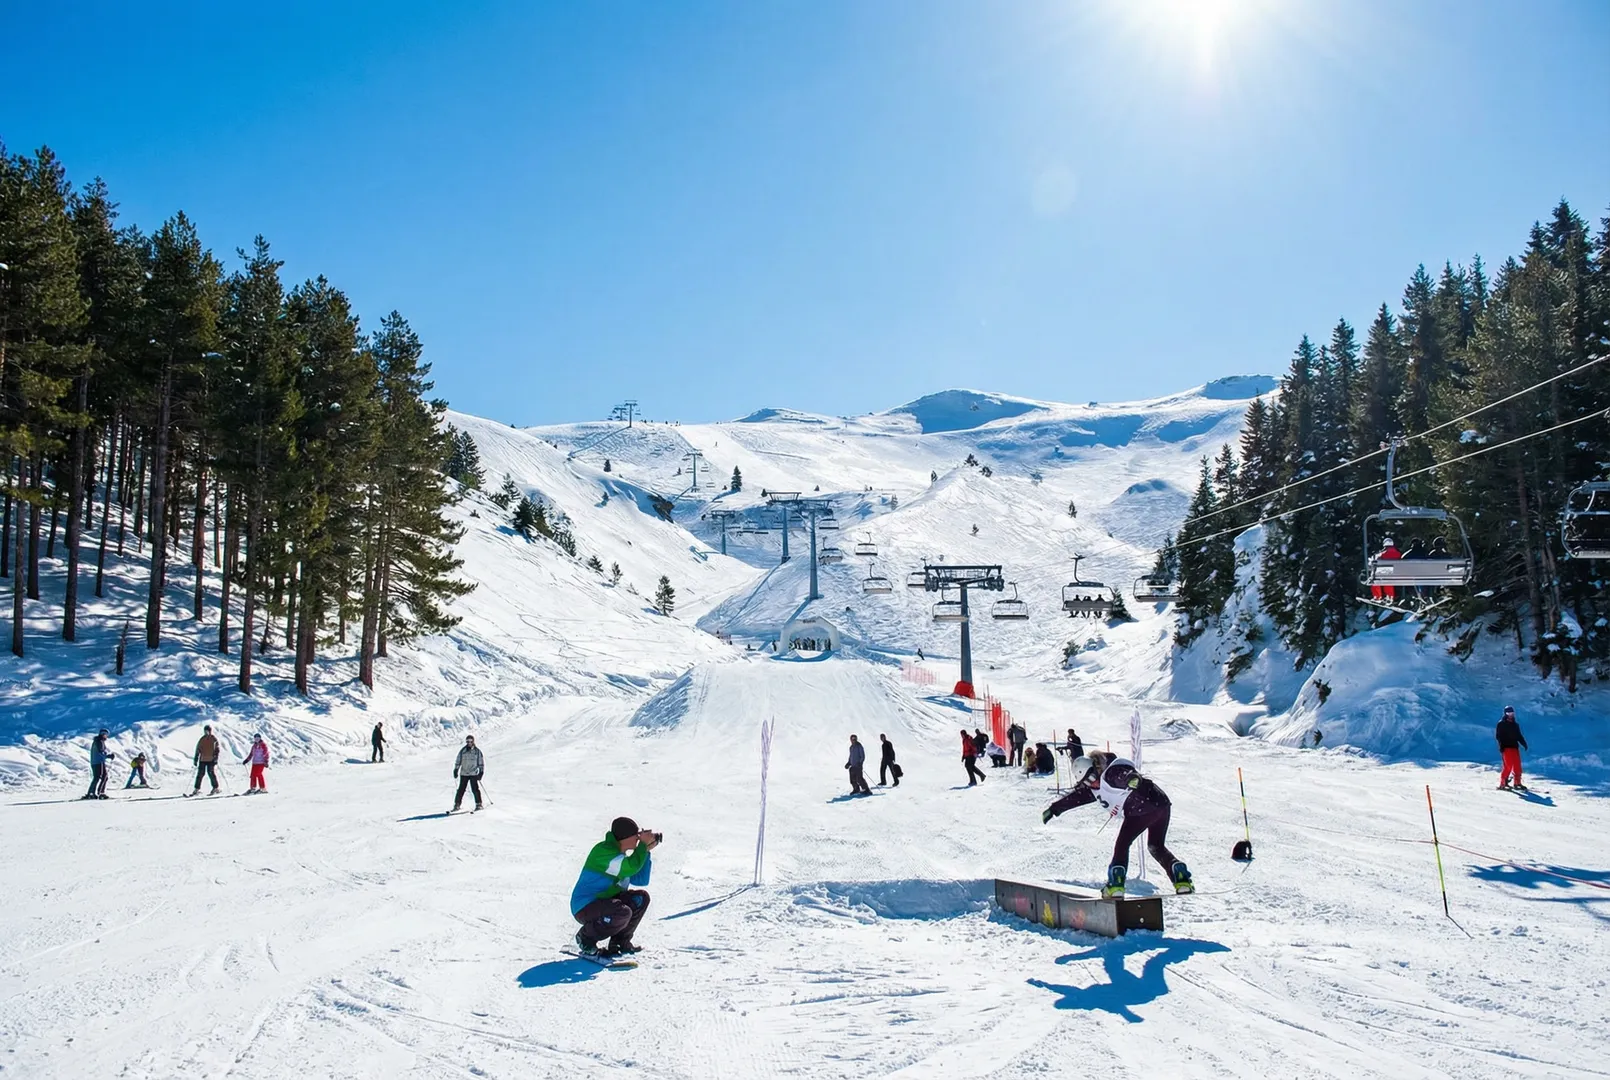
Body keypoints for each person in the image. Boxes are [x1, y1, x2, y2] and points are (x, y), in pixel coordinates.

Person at [1041, 751, 1194, 897]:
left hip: (1141, 808)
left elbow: (1123, 775)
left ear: (1097, 768)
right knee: (1156, 846)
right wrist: (1055, 808)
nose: (1092, 782)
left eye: (1092, 776)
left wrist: (1132, 779)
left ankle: (1115, 885)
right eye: (1086, 782)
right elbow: (1077, 797)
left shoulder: (1110, 773)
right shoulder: (1093, 789)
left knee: (1122, 845)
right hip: (1161, 805)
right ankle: (1180, 876)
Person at [571, 816, 658, 958]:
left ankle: (619, 942)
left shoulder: (620, 856)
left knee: (640, 899)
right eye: (635, 835)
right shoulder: (604, 852)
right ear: (625, 837)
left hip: (606, 902)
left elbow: (640, 879)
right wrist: (642, 846)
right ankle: (585, 938)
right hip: (586, 906)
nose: (638, 838)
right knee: (622, 912)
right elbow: (630, 868)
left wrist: (646, 850)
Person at [1496, 705, 1529, 791]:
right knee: (1508, 765)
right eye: (1508, 713)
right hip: (1506, 748)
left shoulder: (1515, 725)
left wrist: (1523, 743)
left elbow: (1518, 735)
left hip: (1514, 747)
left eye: (1512, 713)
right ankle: (1503, 783)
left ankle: (1517, 783)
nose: (1511, 715)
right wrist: (1501, 746)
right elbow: (1498, 736)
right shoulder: (1501, 724)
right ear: (1505, 714)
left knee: (1517, 765)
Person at [452, 735, 485, 811]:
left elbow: (481, 763)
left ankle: (478, 804)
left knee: (475, 789)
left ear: (473, 742)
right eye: (468, 741)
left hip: (473, 773)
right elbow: (458, 760)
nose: (469, 743)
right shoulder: (463, 751)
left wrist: (481, 772)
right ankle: (457, 804)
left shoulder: (477, 752)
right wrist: (456, 769)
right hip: (464, 773)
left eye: (471, 741)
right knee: (461, 789)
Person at [191, 725, 221, 796]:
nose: (206, 732)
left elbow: (217, 749)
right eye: (205, 731)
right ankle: (197, 789)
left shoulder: (213, 739)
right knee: (200, 774)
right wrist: (196, 758)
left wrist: (216, 757)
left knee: (211, 773)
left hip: (211, 759)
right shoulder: (202, 739)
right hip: (203, 759)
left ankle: (215, 788)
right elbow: (198, 749)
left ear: (210, 731)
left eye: (207, 731)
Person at [85, 729, 113, 800]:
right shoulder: (99, 741)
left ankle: (98, 792)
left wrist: (107, 755)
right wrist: (108, 756)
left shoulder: (99, 741)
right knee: (99, 777)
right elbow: (101, 752)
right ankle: (93, 793)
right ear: (103, 734)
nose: (107, 736)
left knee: (104, 777)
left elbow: (101, 752)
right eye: (106, 735)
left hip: (98, 762)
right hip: (98, 762)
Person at [1371, 537, 1401, 601]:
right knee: (1388, 579)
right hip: (1397, 574)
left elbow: (1376, 562)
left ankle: (1378, 596)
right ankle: (1390, 596)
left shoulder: (1383, 554)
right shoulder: (1398, 553)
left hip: (1386, 573)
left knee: (1375, 579)